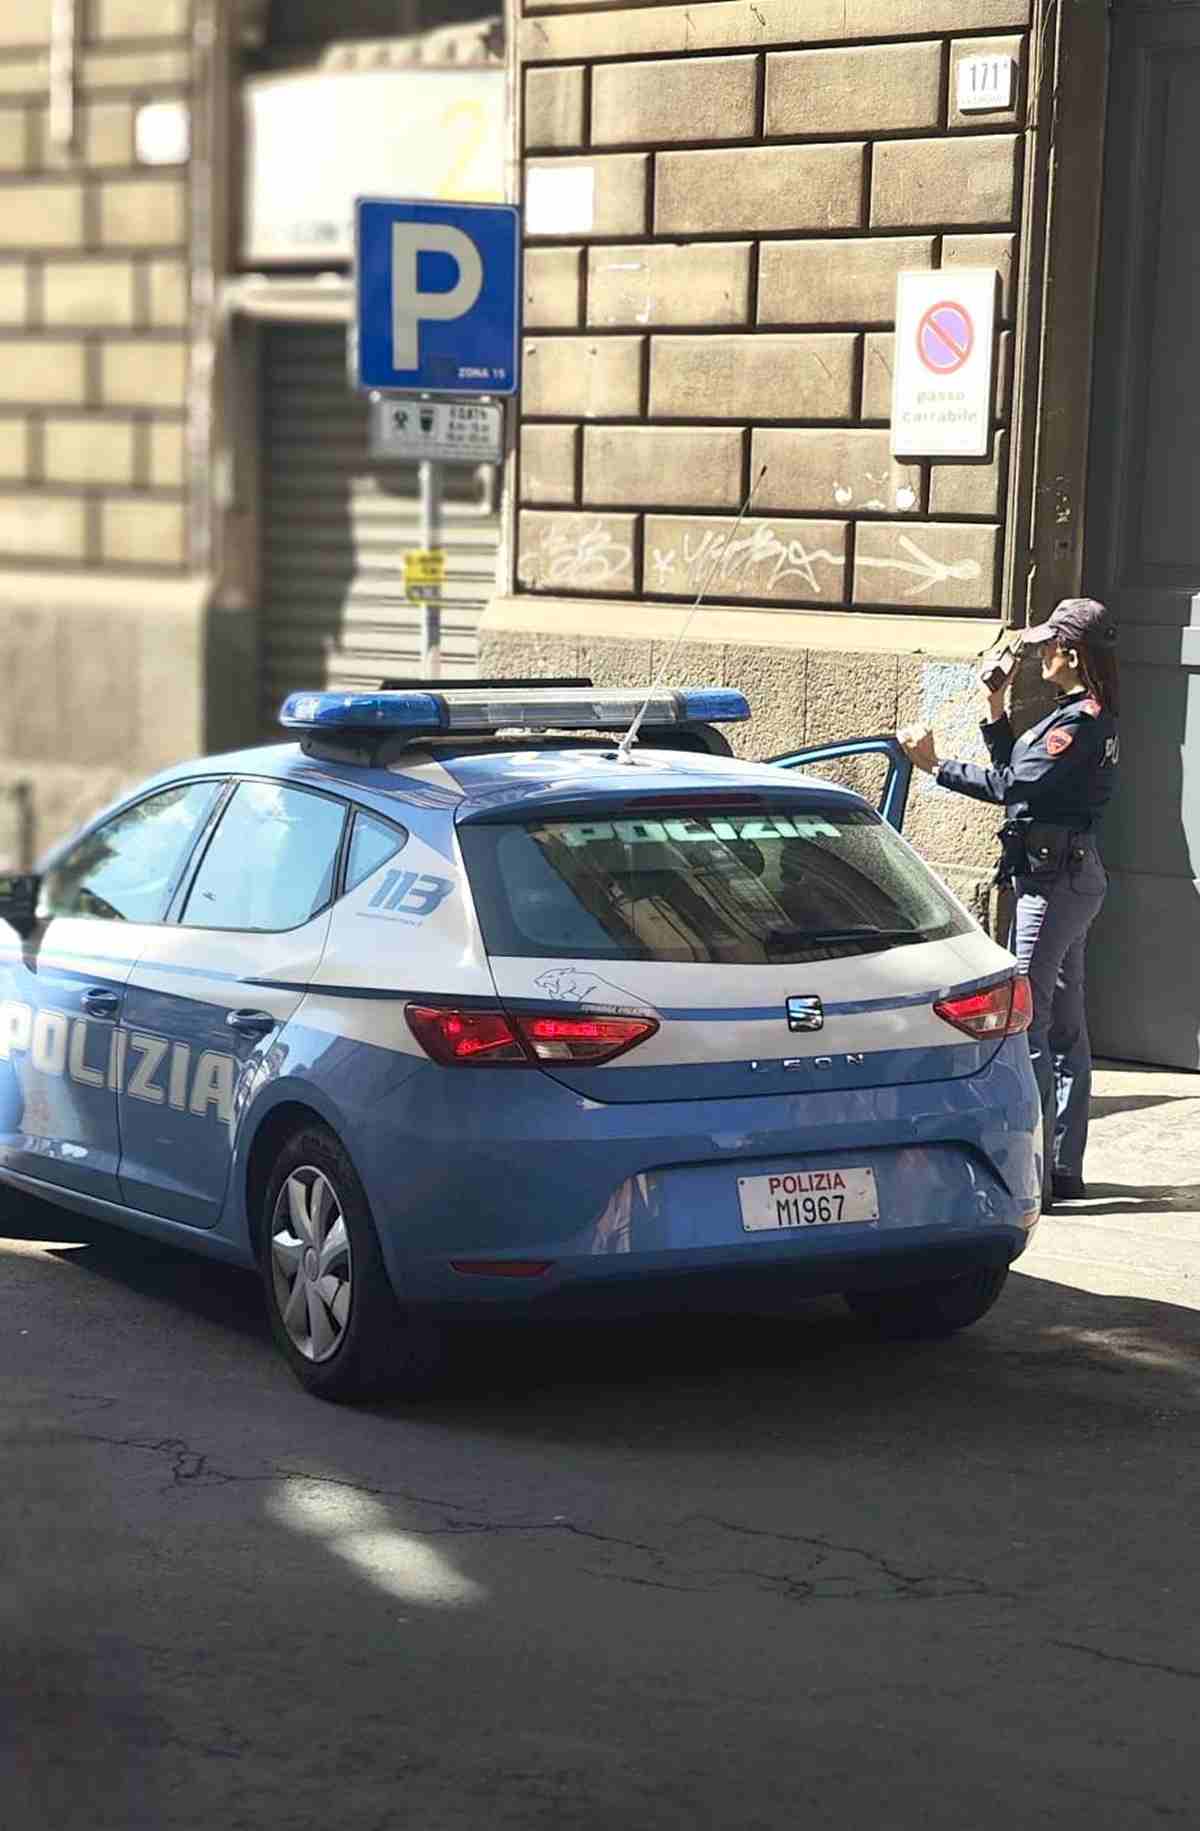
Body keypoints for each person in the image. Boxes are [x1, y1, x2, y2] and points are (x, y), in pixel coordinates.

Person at [895, 598, 1120, 1207]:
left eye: (1049, 645)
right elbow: (1020, 773)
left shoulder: (1079, 723)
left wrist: (934, 765)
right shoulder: (1078, 715)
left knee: (1029, 1024)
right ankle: (1062, 1169)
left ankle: (1038, 1170)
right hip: (1066, 876)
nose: (1040, 654)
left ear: (1071, 653)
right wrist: (994, 708)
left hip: (1054, 884)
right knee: (1065, 1026)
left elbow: (1011, 786)